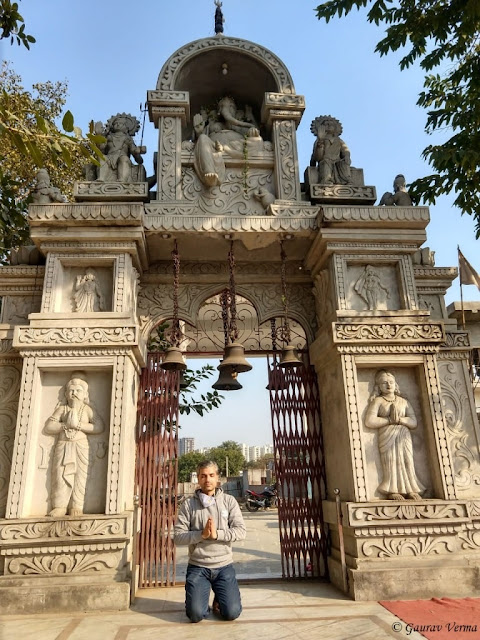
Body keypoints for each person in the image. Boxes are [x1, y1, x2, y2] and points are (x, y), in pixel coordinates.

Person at [174, 460, 246, 622]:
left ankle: (220, 598)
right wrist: (202, 535)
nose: (207, 479)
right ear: (198, 479)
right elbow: (178, 537)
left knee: (232, 613)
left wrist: (216, 535)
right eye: (203, 476)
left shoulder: (229, 501)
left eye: (211, 475)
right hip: (198, 567)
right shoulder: (188, 505)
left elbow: (241, 531)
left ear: (217, 478)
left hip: (224, 566)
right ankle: (200, 597)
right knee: (195, 615)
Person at [45, 374, 104, 517]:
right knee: (60, 475)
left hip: (80, 446)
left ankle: (76, 506)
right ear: (66, 393)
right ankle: (59, 506)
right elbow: (49, 427)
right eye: (71, 390)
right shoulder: (62, 409)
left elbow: (99, 427)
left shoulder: (87, 409)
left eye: (78, 390)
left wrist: (78, 425)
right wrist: (65, 425)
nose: (74, 393)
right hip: (64, 445)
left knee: (80, 477)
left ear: (85, 394)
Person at [364, 369, 425, 500]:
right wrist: (389, 420)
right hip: (387, 435)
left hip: (403, 435)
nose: (388, 385)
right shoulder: (378, 401)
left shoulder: (403, 401)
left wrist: (401, 420)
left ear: (395, 384)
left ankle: (411, 489)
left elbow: (413, 422)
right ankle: (393, 490)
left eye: (391, 382)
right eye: (384, 383)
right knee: (391, 462)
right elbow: (369, 421)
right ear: (379, 387)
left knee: (407, 461)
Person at [309, 115, 352, 185]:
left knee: (344, 163)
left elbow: (345, 150)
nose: (329, 126)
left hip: (337, 161)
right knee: (326, 163)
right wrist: (320, 141)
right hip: (326, 160)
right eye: (326, 124)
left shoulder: (339, 140)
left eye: (331, 124)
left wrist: (346, 156)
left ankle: (347, 181)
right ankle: (327, 180)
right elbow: (317, 157)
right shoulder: (319, 140)